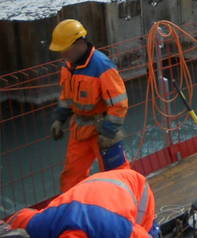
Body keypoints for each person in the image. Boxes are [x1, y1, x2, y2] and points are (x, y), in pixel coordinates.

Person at [49, 19, 130, 193]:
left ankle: (122, 210)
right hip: (80, 130)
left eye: (64, 49)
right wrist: (59, 118)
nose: (62, 54)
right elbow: (66, 98)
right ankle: (74, 211)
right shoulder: (68, 67)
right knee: (71, 177)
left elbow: (119, 104)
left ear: (79, 43)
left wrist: (108, 132)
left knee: (116, 177)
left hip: (102, 131)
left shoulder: (102, 66)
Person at [6, 168, 159, 238]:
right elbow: (17, 219)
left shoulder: (116, 229)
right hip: (101, 191)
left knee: (148, 231)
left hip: (136, 188)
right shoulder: (45, 224)